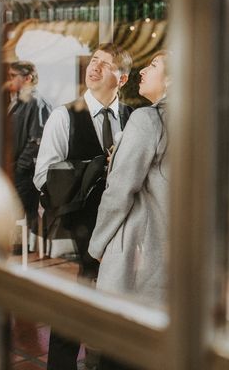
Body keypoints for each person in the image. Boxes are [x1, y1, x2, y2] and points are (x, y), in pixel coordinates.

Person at [34, 43, 132, 370]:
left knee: (115, 318)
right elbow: (42, 176)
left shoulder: (133, 119)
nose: (95, 67)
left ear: (122, 78)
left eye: (105, 64)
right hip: (74, 235)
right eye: (94, 61)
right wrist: (92, 168)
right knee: (69, 320)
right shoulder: (64, 116)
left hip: (118, 238)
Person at [88, 52, 169, 370]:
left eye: (154, 65)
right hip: (173, 259)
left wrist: (97, 246)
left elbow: (119, 191)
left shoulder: (148, 118)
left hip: (138, 255)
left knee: (119, 354)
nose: (144, 70)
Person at [6, 61, 52, 236]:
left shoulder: (36, 102)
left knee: (24, 214)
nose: (9, 79)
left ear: (28, 78)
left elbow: (37, 140)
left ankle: (28, 253)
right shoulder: (20, 101)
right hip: (17, 170)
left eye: (12, 75)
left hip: (24, 173)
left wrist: (19, 167)